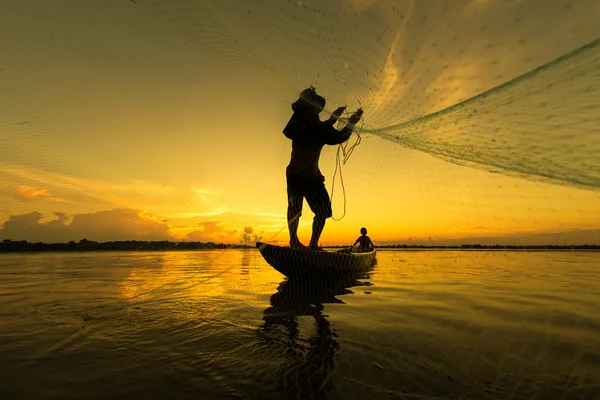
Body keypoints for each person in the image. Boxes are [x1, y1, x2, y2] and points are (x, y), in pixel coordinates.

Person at [283, 87, 362, 250]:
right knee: (295, 209)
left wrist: (344, 121)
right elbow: (318, 132)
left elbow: (325, 131)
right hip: (295, 176)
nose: (316, 112)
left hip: (313, 179)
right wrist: (344, 122)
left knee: (323, 210)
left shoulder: (314, 126)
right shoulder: (299, 125)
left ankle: (313, 245)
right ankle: (294, 242)